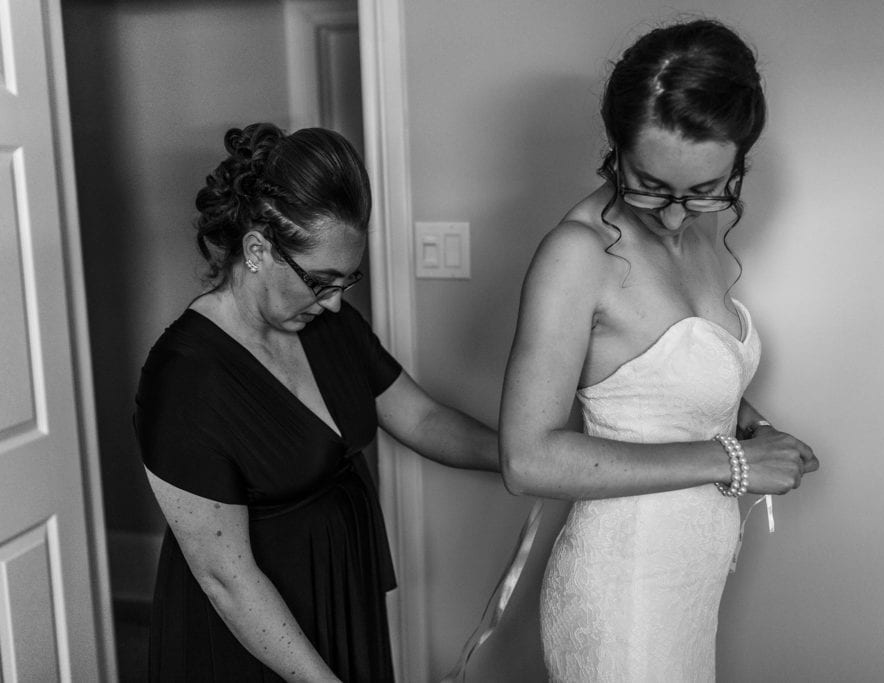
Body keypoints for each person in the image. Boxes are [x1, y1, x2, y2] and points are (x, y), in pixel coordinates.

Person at [499, 19, 820, 681]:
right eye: (649, 184)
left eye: (706, 189)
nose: (675, 214)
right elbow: (527, 458)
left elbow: (657, 380)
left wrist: (746, 421)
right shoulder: (578, 255)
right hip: (623, 585)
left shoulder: (699, 231)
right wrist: (734, 460)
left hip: (689, 578)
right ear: (614, 148)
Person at [135, 122, 499, 682]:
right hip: (251, 630)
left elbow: (422, 417)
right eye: (321, 281)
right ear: (258, 249)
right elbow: (226, 579)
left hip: (338, 592)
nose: (333, 304)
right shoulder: (184, 378)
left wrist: (520, 456)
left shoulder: (328, 326)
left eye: (346, 282)